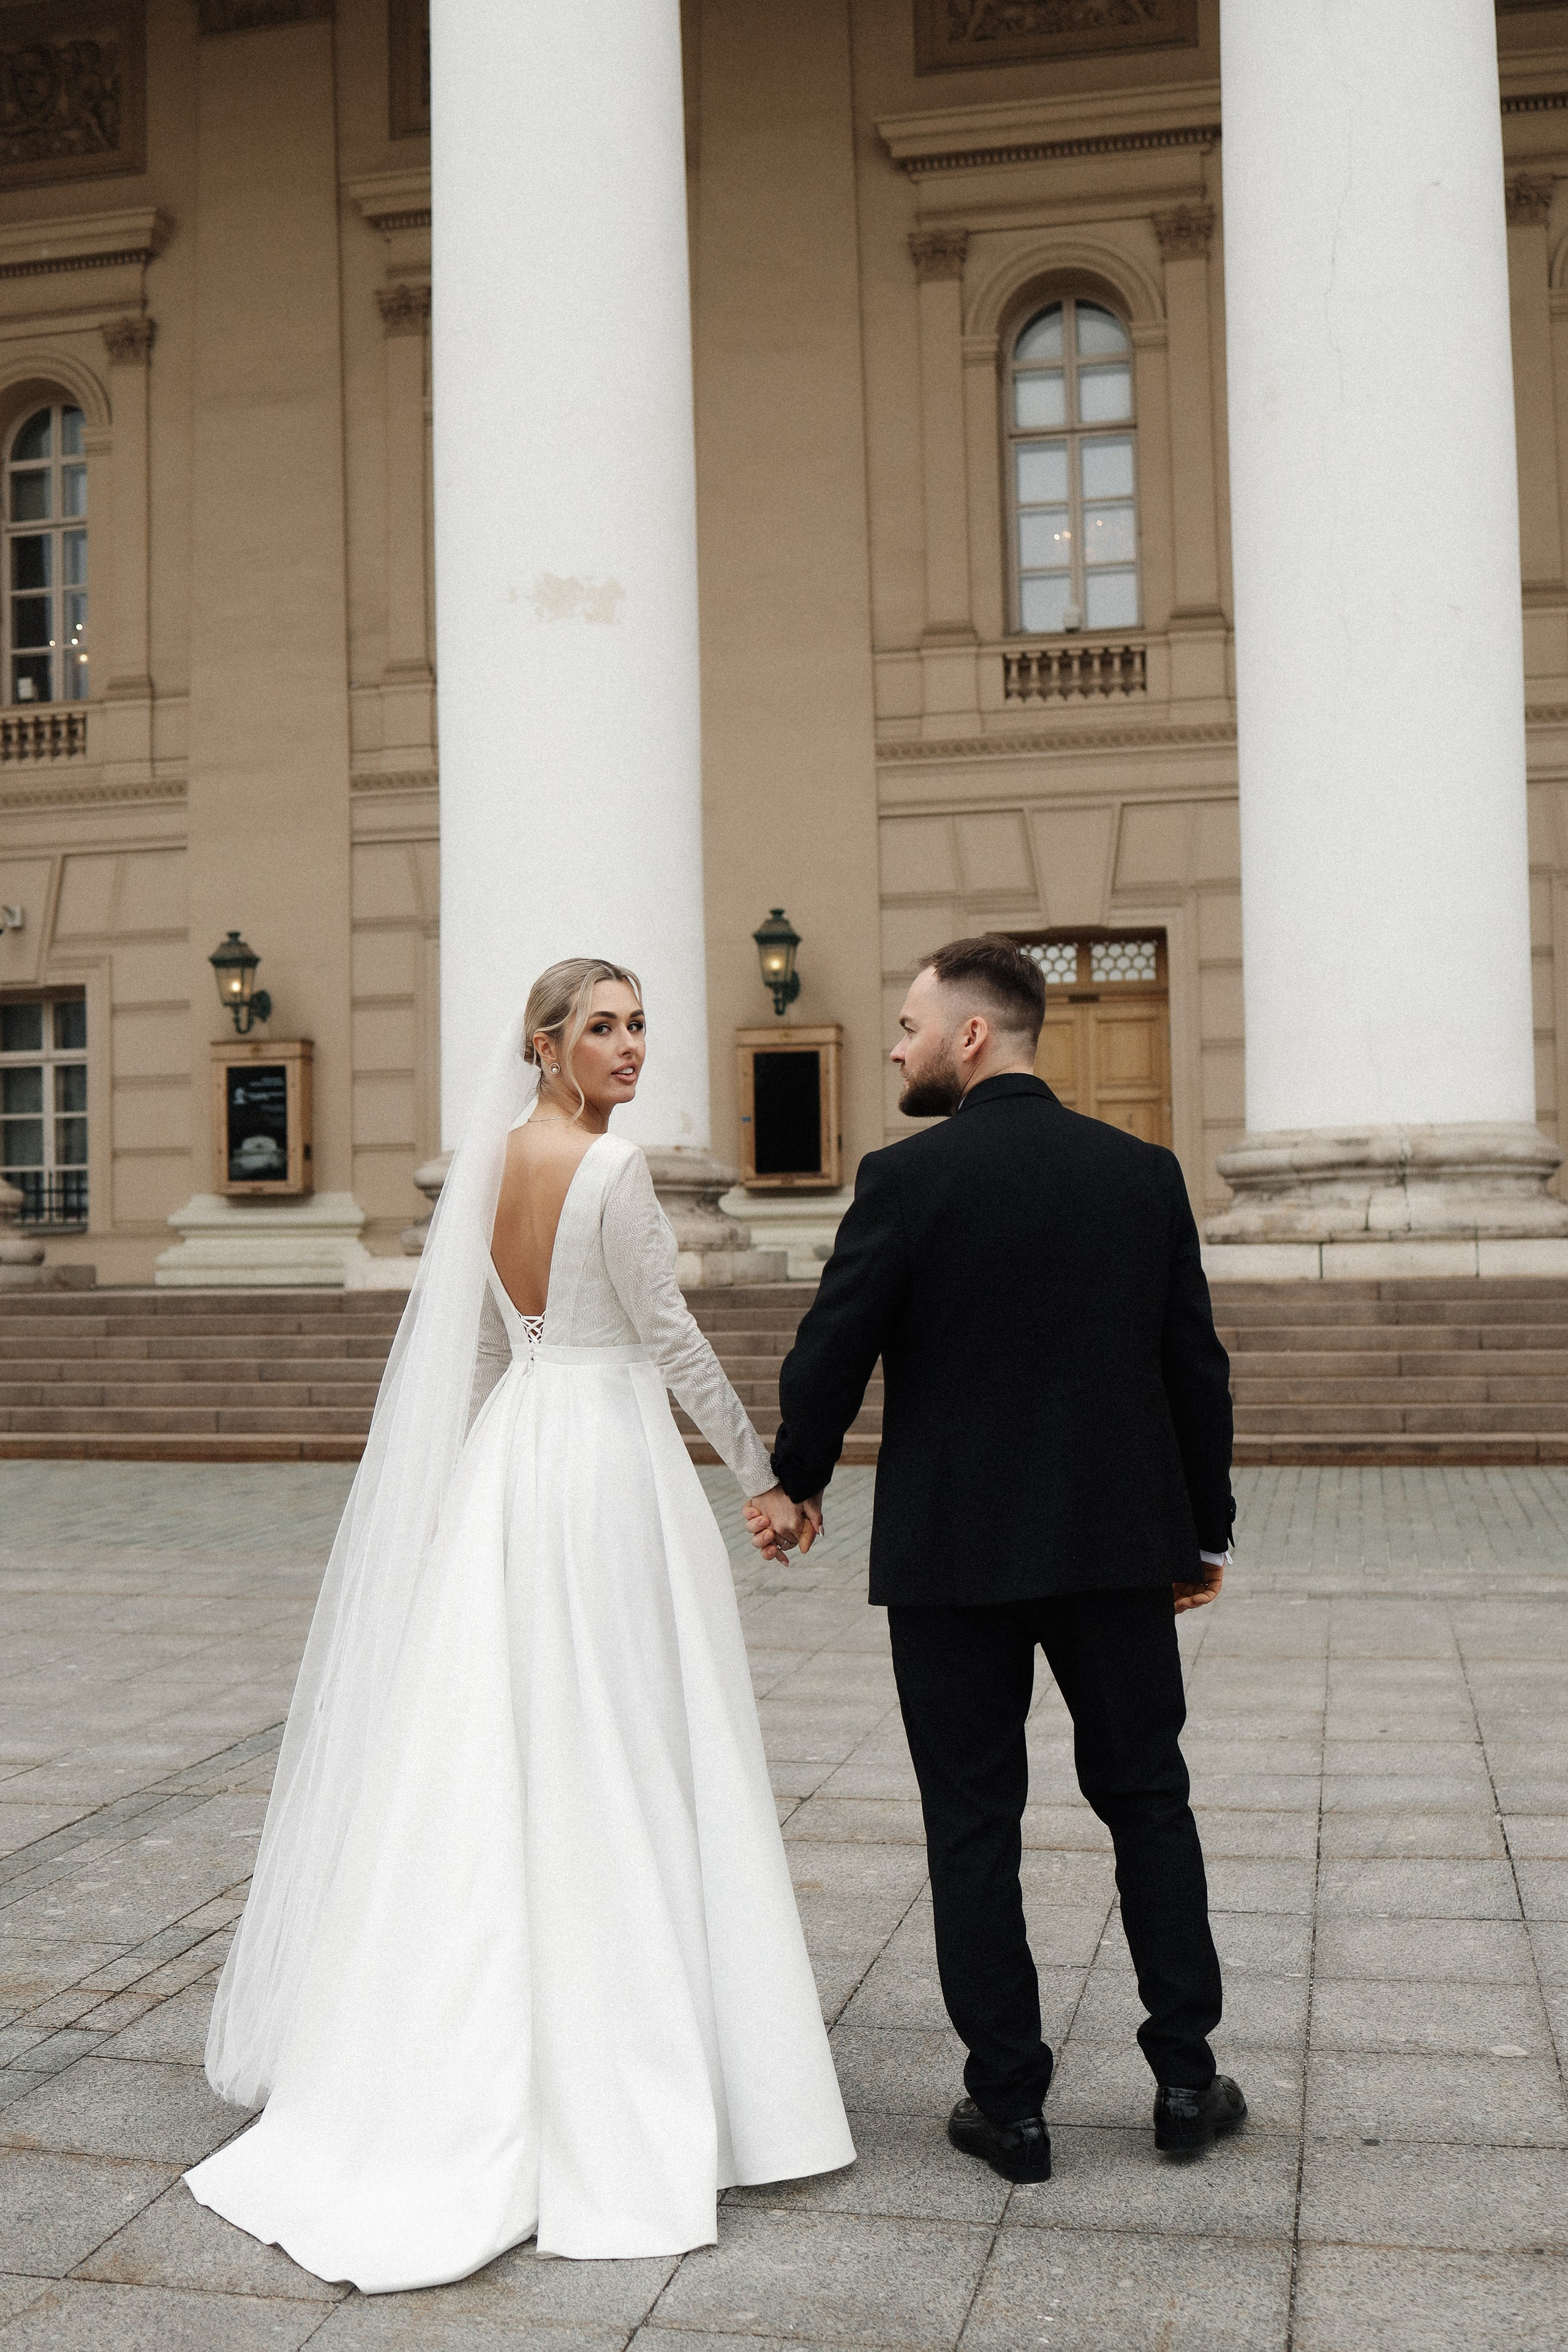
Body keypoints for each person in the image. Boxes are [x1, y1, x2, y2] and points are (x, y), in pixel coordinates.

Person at [185, 960, 853, 2290]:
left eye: (637, 1024)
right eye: (600, 1028)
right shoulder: (614, 1171)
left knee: (507, 1738)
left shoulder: (488, 1167)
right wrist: (766, 1479)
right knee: (619, 1736)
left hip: (512, 1459)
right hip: (603, 1463)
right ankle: (626, 2055)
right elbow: (670, 1338)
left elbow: (488, 1353)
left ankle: (454, 2042)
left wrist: (451, 1501)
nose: (629, 1047)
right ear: (545, 1047)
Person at [746, 935, 1242, 2183]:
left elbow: (831, 1348)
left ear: (971, 1036)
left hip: (952, 1552)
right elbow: (1194, 1366)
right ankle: (1186, 2081)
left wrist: (796, 1479)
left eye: (909, 1026)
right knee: (1148, 1797)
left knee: (973, 1820)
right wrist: (1201, 1531)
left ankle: (1009, 2108)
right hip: (1116, 1545)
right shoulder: (1141, 1172)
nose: (896, 1048)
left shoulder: (905, 1179)